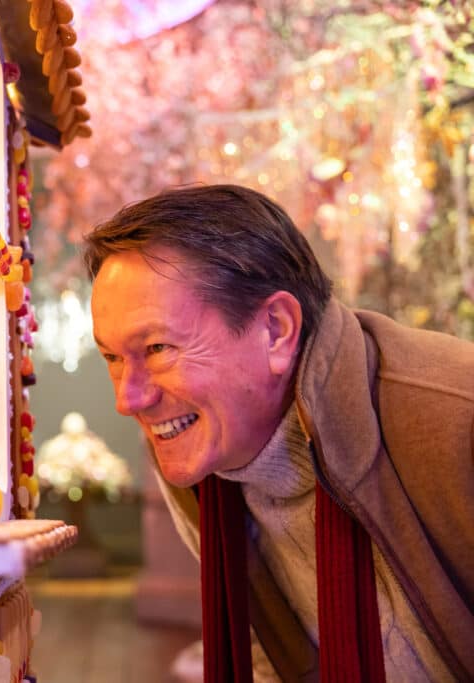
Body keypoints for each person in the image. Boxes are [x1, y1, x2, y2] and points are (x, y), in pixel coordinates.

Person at [84, 184, 474, 682]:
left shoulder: (454, 423)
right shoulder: (204, 460)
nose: (128, 399)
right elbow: (270, 649)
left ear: (276, 330)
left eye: (158, 348)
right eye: (113, 358)